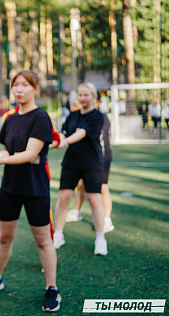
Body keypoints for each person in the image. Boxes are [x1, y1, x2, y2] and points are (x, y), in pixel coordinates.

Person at [0, 70, 60, 312]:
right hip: (10, 188)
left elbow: (30, 154)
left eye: (25, 85)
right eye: (16, 85)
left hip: (35, 189)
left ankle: (52, 289)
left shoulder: (41, 117)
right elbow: (6, 150)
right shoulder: (10, 119)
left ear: (35, 89)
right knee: (4, 237)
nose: (19, 89)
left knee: (43, 241)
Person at [53, 82, 108, 256]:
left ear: (94, 97)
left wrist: (65, 141)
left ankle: (100, 239)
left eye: (86, 95)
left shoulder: (98, 116)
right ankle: (58, 234)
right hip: (71, 162)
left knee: (94, 200)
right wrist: (57, 139)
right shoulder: (72, 115)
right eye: (80, 95)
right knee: (63, 198)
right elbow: (64, 132)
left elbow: (82, 133)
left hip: (92, 163)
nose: (82, 98)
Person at [66, 98, 114, 233]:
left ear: (96, 102)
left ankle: (106, 220)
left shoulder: (100, 118)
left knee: (103, 187)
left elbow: (100, 139)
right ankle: (76, 211)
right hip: (85, 158)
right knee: (80, 184)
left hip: (101, 158)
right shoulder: (78, 117)